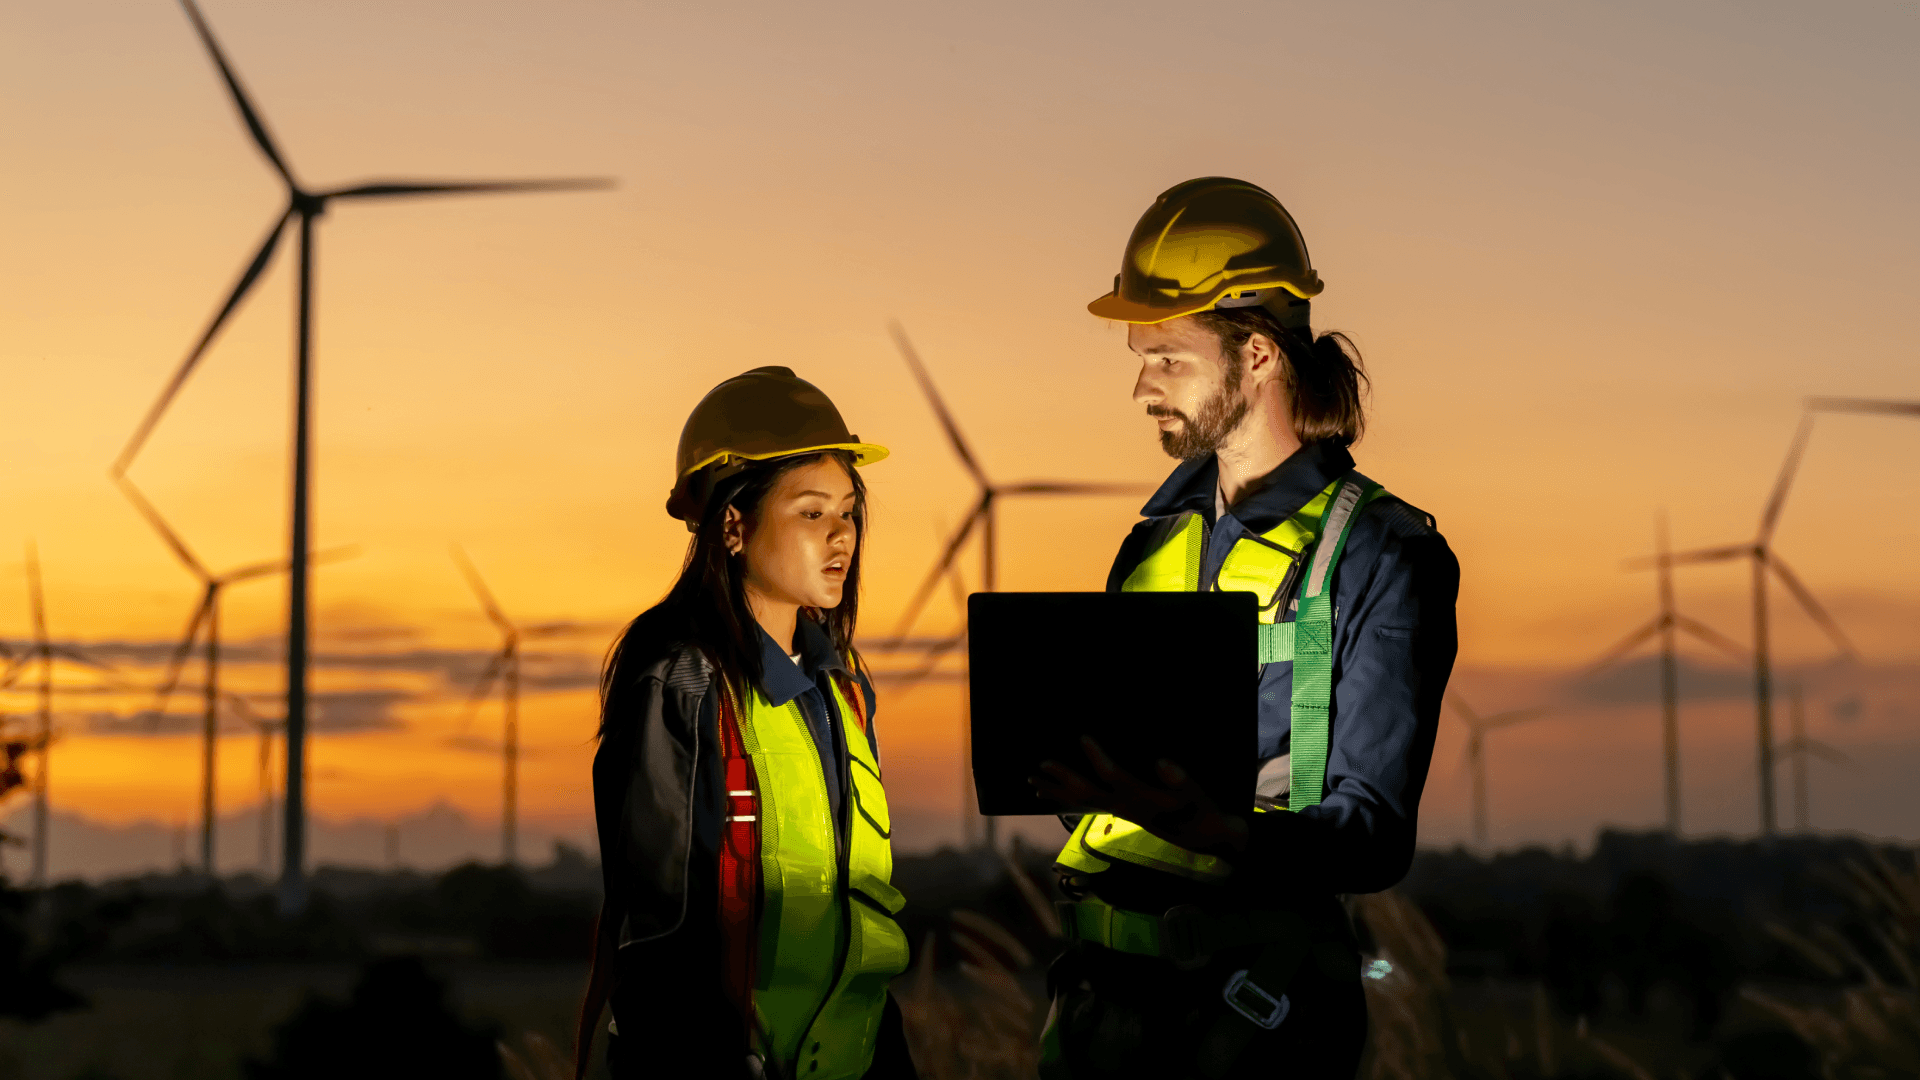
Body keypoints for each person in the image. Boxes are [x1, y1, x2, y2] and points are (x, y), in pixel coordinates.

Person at [1030, 177, 1460, 1078]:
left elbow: (1372, 832)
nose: (1143, 385)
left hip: (1254, 1018)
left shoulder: (1383, 554)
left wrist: (1219, 828)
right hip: (1096, 1007)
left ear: (1257, 355)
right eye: (1141, 356)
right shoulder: (1154, 538)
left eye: (1169, 359)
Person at [577, 366, 918, 1080]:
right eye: (811, 512)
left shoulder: (846, 686)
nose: (842, 537)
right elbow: (661, 932)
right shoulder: (681, 681)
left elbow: (859, 912)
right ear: (733, 524)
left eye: (849, 512)